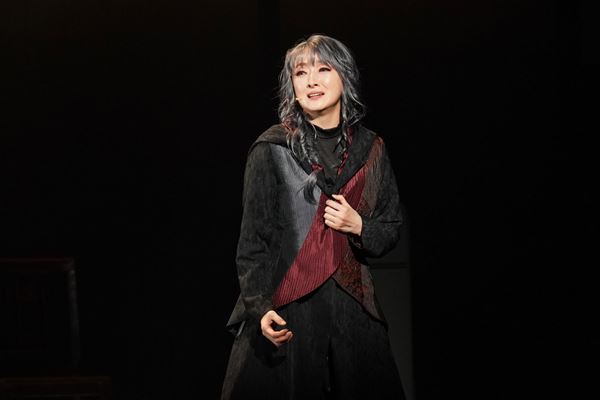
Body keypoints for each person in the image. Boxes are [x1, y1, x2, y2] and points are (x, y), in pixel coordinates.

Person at [221, 34, 406, 400]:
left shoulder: (371, 149)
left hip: (353, 313)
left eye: (323, 69)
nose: (311, 81)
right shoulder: (272, 148)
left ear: (344, 77)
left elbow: (390, 227)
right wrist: (260, 308)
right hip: (290, 308)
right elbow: (253, 243)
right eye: (301, 72)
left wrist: (358, 226)